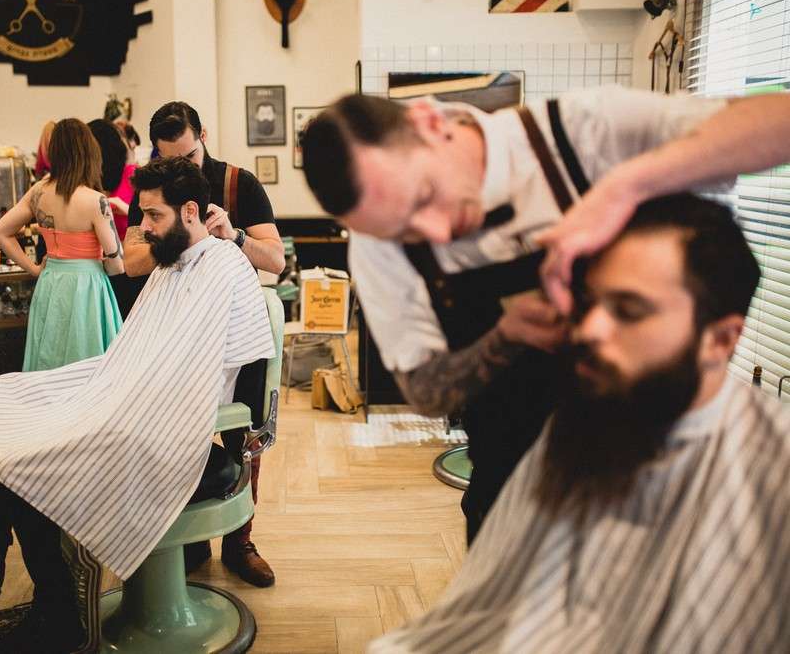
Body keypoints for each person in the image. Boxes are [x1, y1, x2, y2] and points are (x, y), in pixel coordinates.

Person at [301, 87, 790, 542]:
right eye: (404, 233)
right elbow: (424, 391)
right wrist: (505, 337)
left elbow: (779, 119)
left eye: (425, 196)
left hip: (657, 462)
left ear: (430, 122)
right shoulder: (375, 245)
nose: (438, 233)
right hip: (515, 482)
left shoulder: (580, 131)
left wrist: (621, 189)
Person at [369, 194, 790, 653]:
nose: (589, 329)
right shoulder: (581, 426)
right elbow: (486, 609)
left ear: (721, 340)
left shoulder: (775, 469)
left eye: (629, 310)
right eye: (589, 303)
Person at [0, 157, 274, 653]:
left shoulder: (224, 265)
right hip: (131, 396)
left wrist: (113, 398)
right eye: (143, 215)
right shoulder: (172, 261)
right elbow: (137, 349)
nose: (143, 228)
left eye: (154, 216)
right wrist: (102, 389)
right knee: (1, 397)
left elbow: (200, 371)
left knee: (35, 455)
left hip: (170, 427)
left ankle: (56, 616)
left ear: (190, 211)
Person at [122, 100, 286, 587]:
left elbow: (276, 260)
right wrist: (177, 235)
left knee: (240, 434)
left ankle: (239, 541)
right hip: (179, 322)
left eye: (188, 157)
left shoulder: (238, 183)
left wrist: (233, 237)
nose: (180, 167)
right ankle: (188, 538)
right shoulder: (156, 188)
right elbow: (132, 261)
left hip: (233, 323)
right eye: (167, 157)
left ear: (203, 137)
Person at [0, 118, 123, 373]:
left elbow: (0, 232)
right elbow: (117, 266)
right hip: (87, 288)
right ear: (90, 152)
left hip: (50, 282)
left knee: (50, 356)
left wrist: (33, 268)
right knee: (87, 362)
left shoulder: (38, 191)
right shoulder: (96, 201)